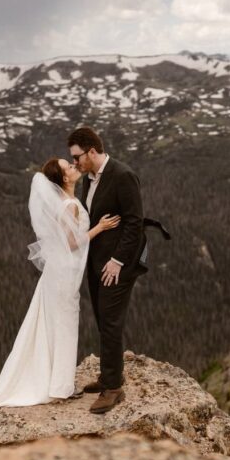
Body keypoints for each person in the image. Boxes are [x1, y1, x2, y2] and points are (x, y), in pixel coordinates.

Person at [0, 157, 120, 444]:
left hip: (60, 272)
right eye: (68, 166)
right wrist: (99, 229)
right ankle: (59, 384)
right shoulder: (68, 204)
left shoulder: (65, 201)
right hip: (63, 274)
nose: (73, 167)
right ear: (63, 179)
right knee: (64, 323)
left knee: (56, 323)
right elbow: (70, 243)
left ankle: (58, 381)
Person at [68, 126, 147, 414]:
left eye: (77, 157)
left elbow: (134, 223)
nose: (75, 163)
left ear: (92, 151)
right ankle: (109, 373)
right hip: (95, 261)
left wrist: (118, 261)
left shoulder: (123, 175)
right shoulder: (89, 178)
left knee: (111, 322)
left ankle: (113, 387)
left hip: (117, 265)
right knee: (103, 319)